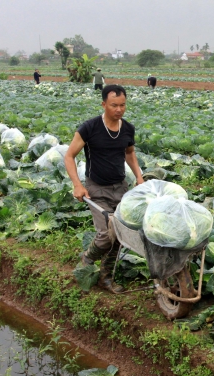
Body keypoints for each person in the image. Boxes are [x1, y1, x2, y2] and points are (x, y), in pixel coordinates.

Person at [64, 84, 144, 293]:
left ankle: (105, 277)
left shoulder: (127, 128)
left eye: (123, 105)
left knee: (120, 233)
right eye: (114, 105)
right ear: (104, 104)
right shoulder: (89, 128)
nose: (119, 110)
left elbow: (129, 153)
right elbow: (69, 155)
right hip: (96, 188)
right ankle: (88, 258)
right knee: (106, 234)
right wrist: (77, 185)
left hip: (120, 188)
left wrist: (139, 176)